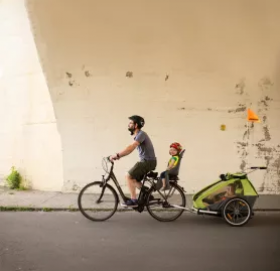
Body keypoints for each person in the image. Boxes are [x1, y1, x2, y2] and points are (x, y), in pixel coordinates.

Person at [109, 115, 157, 207]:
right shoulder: (138, 135)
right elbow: (129, 149)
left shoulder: (141, 134)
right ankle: (147, 193)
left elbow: (130, 148)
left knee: (128, 176)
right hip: (147, 161)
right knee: (133, 179)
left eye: (131, 123)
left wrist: (118, 155)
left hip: (147, 162)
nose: (129, 124)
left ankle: (134, 200)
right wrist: (120, 155)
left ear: (136, 125)